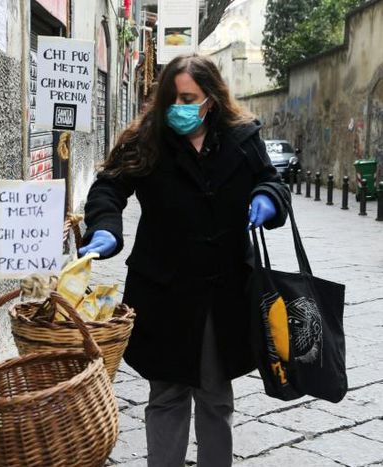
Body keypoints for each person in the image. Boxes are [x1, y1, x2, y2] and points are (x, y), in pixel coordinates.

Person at [78, 54, 291, 466]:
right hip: (163, 291)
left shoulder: (242, 138)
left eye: (189, 97)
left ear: (210, 98)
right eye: (172, 97)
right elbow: (108, 188)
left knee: (215, 396)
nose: (179, 106)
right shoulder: (146, 140)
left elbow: (271, 179)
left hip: (223, 291)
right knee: (167, 395)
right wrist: (105, 227)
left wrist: (267, 199)